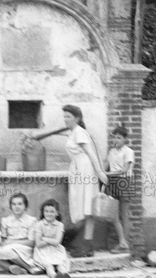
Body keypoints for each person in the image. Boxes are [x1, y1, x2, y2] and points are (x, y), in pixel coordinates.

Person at [25, 104, 108, 257]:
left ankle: (87, 245)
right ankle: (85, 244)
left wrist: (100, 172)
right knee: (82, 206)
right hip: (78, 168)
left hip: (85, 169)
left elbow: (91, 153)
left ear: (77, 118)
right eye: (64, 116)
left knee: (87, 206)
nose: (65, 119)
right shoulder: (74, 132)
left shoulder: (80, 132)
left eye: (68, 117)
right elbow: (61, 133)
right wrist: (39, 135)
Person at [0, 192, 39, 275]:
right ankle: (11, 267)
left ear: (25, 206)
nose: (17, 206)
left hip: (24, 248)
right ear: (11, 207)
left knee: (9, 249)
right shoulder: (5, 220)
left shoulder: (32, 220)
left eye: (20, 204)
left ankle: (29, 268)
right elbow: (4, 240)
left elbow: (32, 242)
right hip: (8, 247)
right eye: (14, 204)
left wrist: (12, 242)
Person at [105, 125, 134, 253]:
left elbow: (125, 170)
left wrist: (108, 174)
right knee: (114, 215)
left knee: (124, 214)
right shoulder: (111, 152)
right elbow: (105, 167)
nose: (115, 140)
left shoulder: (128, 151)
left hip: (124, 182)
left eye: (119, 138)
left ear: (125, 140)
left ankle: (124, 243)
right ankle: (122, 242)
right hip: (112, 183)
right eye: (114, 138)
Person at [32, 199, 71, 278]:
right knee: (49, 265)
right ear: (43, 212)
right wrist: (51, 241)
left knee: (60, 265)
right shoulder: (39, 224)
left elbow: (57, 242)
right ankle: (55, 277)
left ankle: (65, 276)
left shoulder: (59, 225)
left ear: (57, 213)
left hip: (56, 250)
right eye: (46, 211)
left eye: (52, 211)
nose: (49, 214)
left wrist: (44, 238)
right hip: (42, 251)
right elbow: (38, 244)